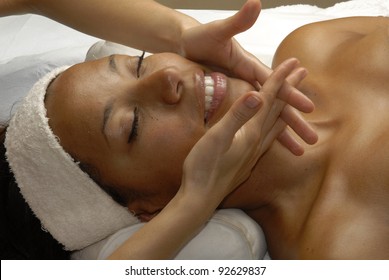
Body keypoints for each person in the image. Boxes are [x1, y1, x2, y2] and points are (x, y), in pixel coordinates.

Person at [7, 14, 389, 260]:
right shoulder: (341, 251)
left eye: (139, 65)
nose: (165, 77)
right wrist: (192, 205)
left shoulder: (316, 42)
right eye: (132, 125)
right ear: (153, 208)